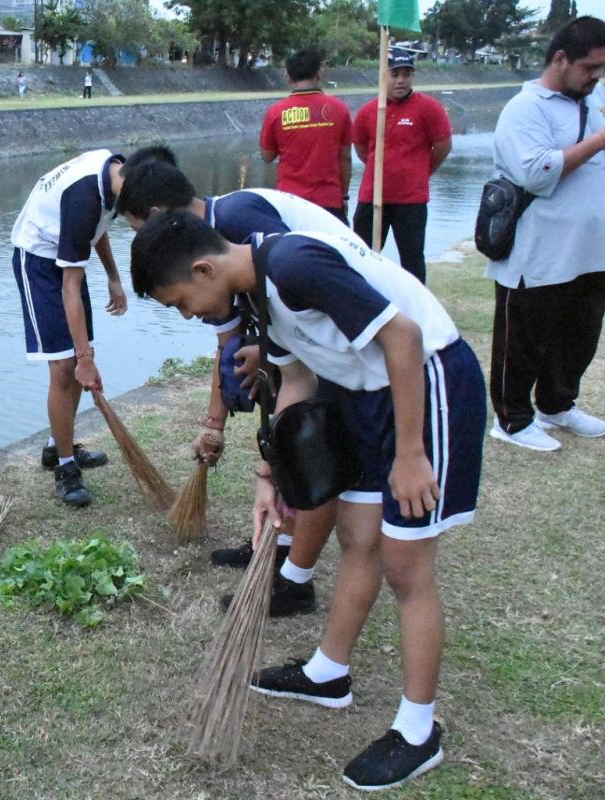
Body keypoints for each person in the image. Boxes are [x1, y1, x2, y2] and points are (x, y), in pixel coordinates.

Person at [131, 213, 485, 792]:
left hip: (423, 386)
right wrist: (271, 472)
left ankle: (420, 730)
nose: (188, 314)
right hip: (360, 395)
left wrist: (411, 453)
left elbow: (404, 337)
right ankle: (328, 672)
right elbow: (297, 380)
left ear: (204, 268)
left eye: (180, 302)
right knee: (357, 537)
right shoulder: (257, 292)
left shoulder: (294, 265)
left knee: (406, 567)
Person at [115, 156, 355, 617]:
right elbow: (228, 343)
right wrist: (214, 425)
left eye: (141, 228)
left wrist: (269, 350)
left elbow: (296, 287)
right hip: (294, 341)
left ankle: (293, 577)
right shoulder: (208, 258)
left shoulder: (236, 219)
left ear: (167, 219)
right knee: (257, 397)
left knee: (312, 449)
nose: (144, 243)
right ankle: (277, 544)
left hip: (334, 335)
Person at [486, 16, 605, 451]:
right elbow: (535, 172)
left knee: (579, 334)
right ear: (561, 59)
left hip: (590, 251)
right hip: (538, 250)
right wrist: (599, 141)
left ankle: (558, 403)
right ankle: (512, 419)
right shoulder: (525, 108)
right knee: (523, 339)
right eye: (589, 68)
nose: (595, 78)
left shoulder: (594, 102)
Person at [10, 148, 140, 507]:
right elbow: (69, 285)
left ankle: (57, 446)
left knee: (84, 357)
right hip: (38, 260)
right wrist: (82, 357)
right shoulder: (84, 195)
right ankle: (65, 468)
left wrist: (114, 277)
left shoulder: (116, 174)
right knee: (66, 366)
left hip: (67, 257)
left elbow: (94, 229)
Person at [351, 48, 453, 283]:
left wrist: (420, 172)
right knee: (362, 254)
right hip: (372, 197)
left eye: (406, 74)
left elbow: (443, 146)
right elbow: (362, 150)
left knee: (412, 258)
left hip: (411, 200)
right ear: (383, 75)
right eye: (395, 74)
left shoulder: (428, 108)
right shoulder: (369, 111)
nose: (400, 80)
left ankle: (416, 311)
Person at [259, 47, 353, 222]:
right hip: (329, 202)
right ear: (319, 73)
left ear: (288, 77)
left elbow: (267, 156)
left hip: (290, 202)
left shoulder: (276, 113)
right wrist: (344, 196)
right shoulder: (340, 109)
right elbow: (345, 159)